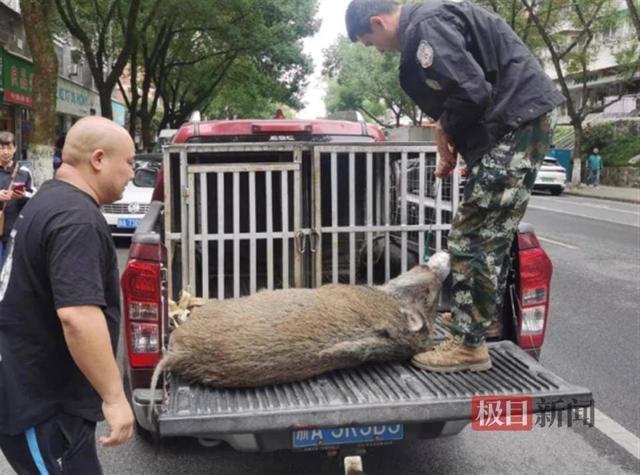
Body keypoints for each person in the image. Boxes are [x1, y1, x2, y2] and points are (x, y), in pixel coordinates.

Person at [346, 0, 565, 372]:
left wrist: (445, 128)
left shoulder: (425, 28)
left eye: (371, 42)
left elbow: (471, 92)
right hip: (516, 121)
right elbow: (471, 92)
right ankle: (474, 323)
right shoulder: (429, 22)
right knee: (486, 235)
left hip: (516, 121)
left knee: (472, 238)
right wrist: (459, 146)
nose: (378, 50)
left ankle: (467, 346)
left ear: (378, 22)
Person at [0, 117, 135, 473]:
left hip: (49, 400)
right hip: (41, 404)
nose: (133, 173)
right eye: (130, 162)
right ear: (99, 159)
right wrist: (115, 397)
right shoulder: (76, 218)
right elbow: (77, 316)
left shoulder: (50, 198)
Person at [0, 131, 34, 266]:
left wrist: (23, 195)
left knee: (9, 270)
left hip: (15, 230)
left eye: (8, 147)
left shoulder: (24, 172)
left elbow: (34, 197)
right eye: (1, 148)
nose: (5, 152)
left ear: (14, 148)